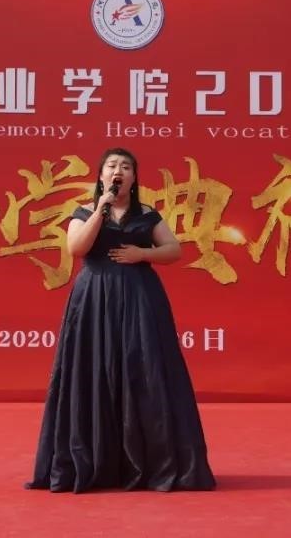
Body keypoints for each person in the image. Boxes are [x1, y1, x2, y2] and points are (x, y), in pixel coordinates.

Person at [25, 148, 216, 493]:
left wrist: (142, 254)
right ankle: (93, 463)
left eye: (126, 167)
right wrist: (101, 209)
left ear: (134, 177)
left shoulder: (147, 214)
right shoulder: (84, 212)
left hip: (141, 298)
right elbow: (77, 249)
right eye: (112, 166)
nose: (119, 171)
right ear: (101, 176)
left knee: (144, 371)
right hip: (94, 299)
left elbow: (174, 250)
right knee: (93, 372)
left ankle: (151, 463)